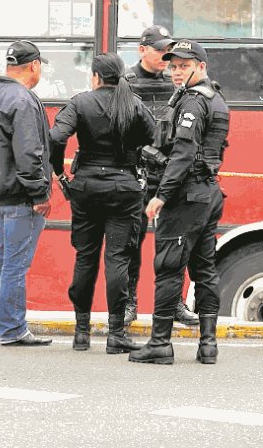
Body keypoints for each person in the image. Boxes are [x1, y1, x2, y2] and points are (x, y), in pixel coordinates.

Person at [128, 39, 229, 365]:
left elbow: (184, 154)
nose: (175, 72)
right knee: (205, 270)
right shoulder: (216, 99)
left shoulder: (192, 103)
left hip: (186, 195)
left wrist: (161, 195)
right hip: (209, 192)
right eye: (172, 66)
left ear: (200, 66)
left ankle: (160, 343)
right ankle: (208, 345)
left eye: (183, 66)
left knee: (169, 268)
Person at [50, 53, 155, 354]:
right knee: (118, 259)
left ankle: (81, 332)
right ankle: (115, 333)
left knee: (85, 258)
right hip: (124, 188)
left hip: (85, 186)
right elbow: (156, 138)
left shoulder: (80, 102)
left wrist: (60, 173)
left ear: (95, 77)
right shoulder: (133, 103)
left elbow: (56, 138)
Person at [0, 40, 55, 347]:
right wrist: (40, 194)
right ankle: (12, 329)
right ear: (33, 66)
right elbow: (30, 152)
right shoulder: (24, 100)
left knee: (4, 259)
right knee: (15, 263)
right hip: (20, 195)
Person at [124, 25, 199, 327]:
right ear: (142, 50)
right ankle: (129, 303)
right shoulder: (126, 82)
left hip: (169, 173)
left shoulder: (177, 83)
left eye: (168, 51)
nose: (165, 57)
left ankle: (175, 303)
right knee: (131, 241)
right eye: (159, 50)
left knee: (173, 243)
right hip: (138, 174)